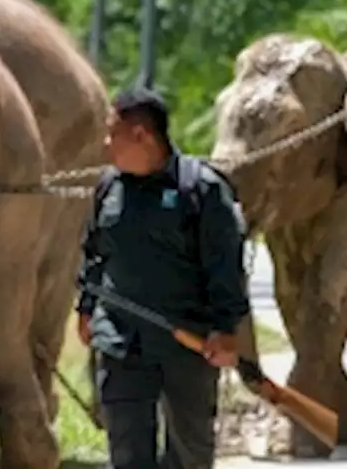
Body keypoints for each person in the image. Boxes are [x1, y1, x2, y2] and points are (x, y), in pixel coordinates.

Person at [76, 88, 250, 469]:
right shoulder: (109, 187)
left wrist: (225, 328)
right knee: (126, 453)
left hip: (186, 346)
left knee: (189, 453)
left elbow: (225, 266)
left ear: (141, 135)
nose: (106, 145)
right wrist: (86, 308)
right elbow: (94, 252)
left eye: (112, 133)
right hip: (120, 343)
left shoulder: (201, 189)